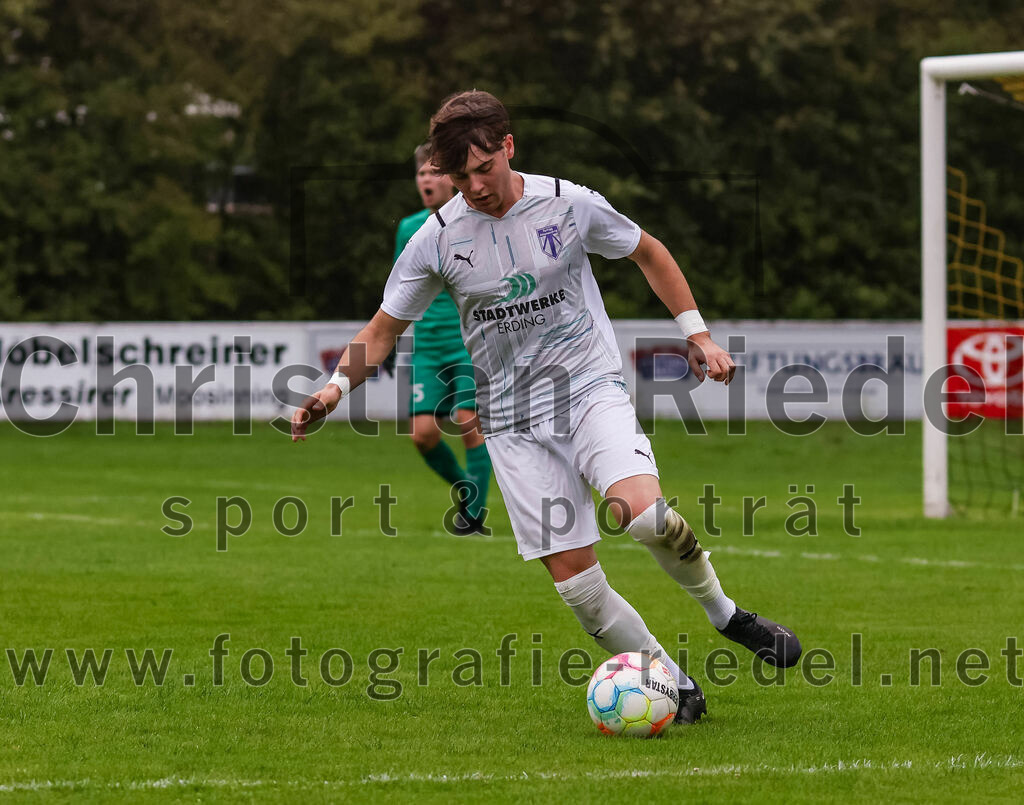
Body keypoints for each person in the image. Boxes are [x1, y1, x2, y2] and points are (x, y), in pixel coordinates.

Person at [293, 90, 801, 724]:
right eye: (460, 177)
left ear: (509, 147)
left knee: (641, 517)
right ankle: (672, 683)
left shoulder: (570, 203)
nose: (474, 187)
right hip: (510, 421)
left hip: (588, 388)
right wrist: (334, 390)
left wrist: (696, 331)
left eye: (484, 169)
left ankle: (727, 615)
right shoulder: (435, 239)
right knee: (579, 589)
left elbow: (648, 250)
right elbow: (382, 329)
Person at [395, 144, 491, 534]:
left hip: (467, 341)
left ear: (451, 179)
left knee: (469, 420)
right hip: (428, 346)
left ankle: (472, 514)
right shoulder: (408, 227)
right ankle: (469, 488)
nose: (426, 180)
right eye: (421, 174)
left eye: (434, 173)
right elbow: (401, 289)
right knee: (422, 435)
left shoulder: (474, 221)